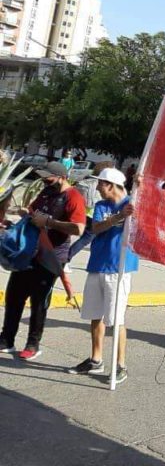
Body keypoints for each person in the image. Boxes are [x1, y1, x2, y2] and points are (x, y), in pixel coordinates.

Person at [0, 161, 86, 360]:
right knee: (14, 295)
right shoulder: (46, 193)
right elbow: (33, 214)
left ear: (62, 177)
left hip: (51, 257)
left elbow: (78, 229)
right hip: (29, 253)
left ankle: (33, 344)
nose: (45, 181)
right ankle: (6, 339)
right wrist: (21, 216)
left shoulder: (73, 197)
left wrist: (49, 222)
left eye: (49, 178)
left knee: (39, 301)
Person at [65, 168, 137, 383]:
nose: (97, 188)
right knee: (95, 315)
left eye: (100, 184)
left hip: (120, 268)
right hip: (97, 264)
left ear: (111, 185)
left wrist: (140, 186)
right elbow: (96, 228)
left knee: (116, 319)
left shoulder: (134, 203)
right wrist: (117, 218)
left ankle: (121, 365)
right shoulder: (101, 206)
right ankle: (96, 360)